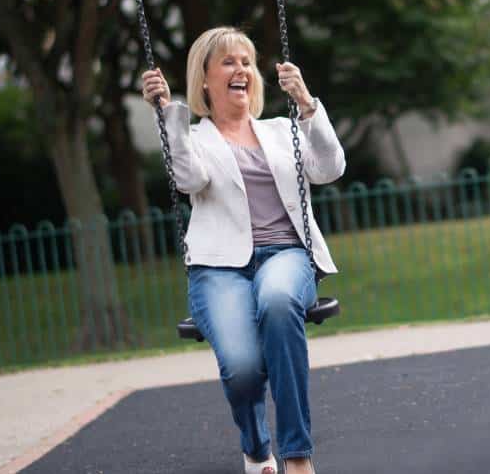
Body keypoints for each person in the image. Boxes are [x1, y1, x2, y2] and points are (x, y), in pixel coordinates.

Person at [141, 26, 344, 474]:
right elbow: (188, 180)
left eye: (247, 62)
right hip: (219, 269)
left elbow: (329, 169)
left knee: (276, 300)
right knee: (242, 366)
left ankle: (297, 457)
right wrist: (164, 112)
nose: (242, 70)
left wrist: (308, 105)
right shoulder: (195, 138)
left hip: (287, 254)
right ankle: (255, 448)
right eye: (229, 62)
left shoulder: (281, 130)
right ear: (206, 79)